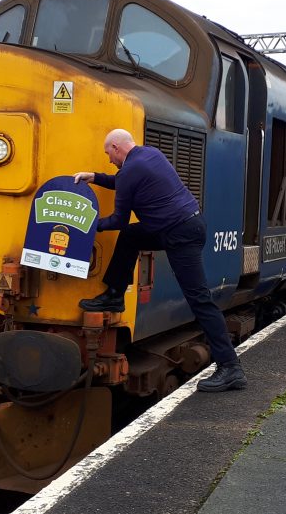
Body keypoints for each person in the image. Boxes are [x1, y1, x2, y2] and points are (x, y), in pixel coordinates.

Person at [73, 129, 247, 393]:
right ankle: (114, 295)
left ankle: (231, 368)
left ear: (117, 147)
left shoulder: (131, 169)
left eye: (108, 153)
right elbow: (122, 182)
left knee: (199, 300)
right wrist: (95, 178)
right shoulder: (148, 154)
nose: (109, 159)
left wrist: (88, 226)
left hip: (180, 233)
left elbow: (118, 219)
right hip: (182, 226)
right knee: (132, 235)